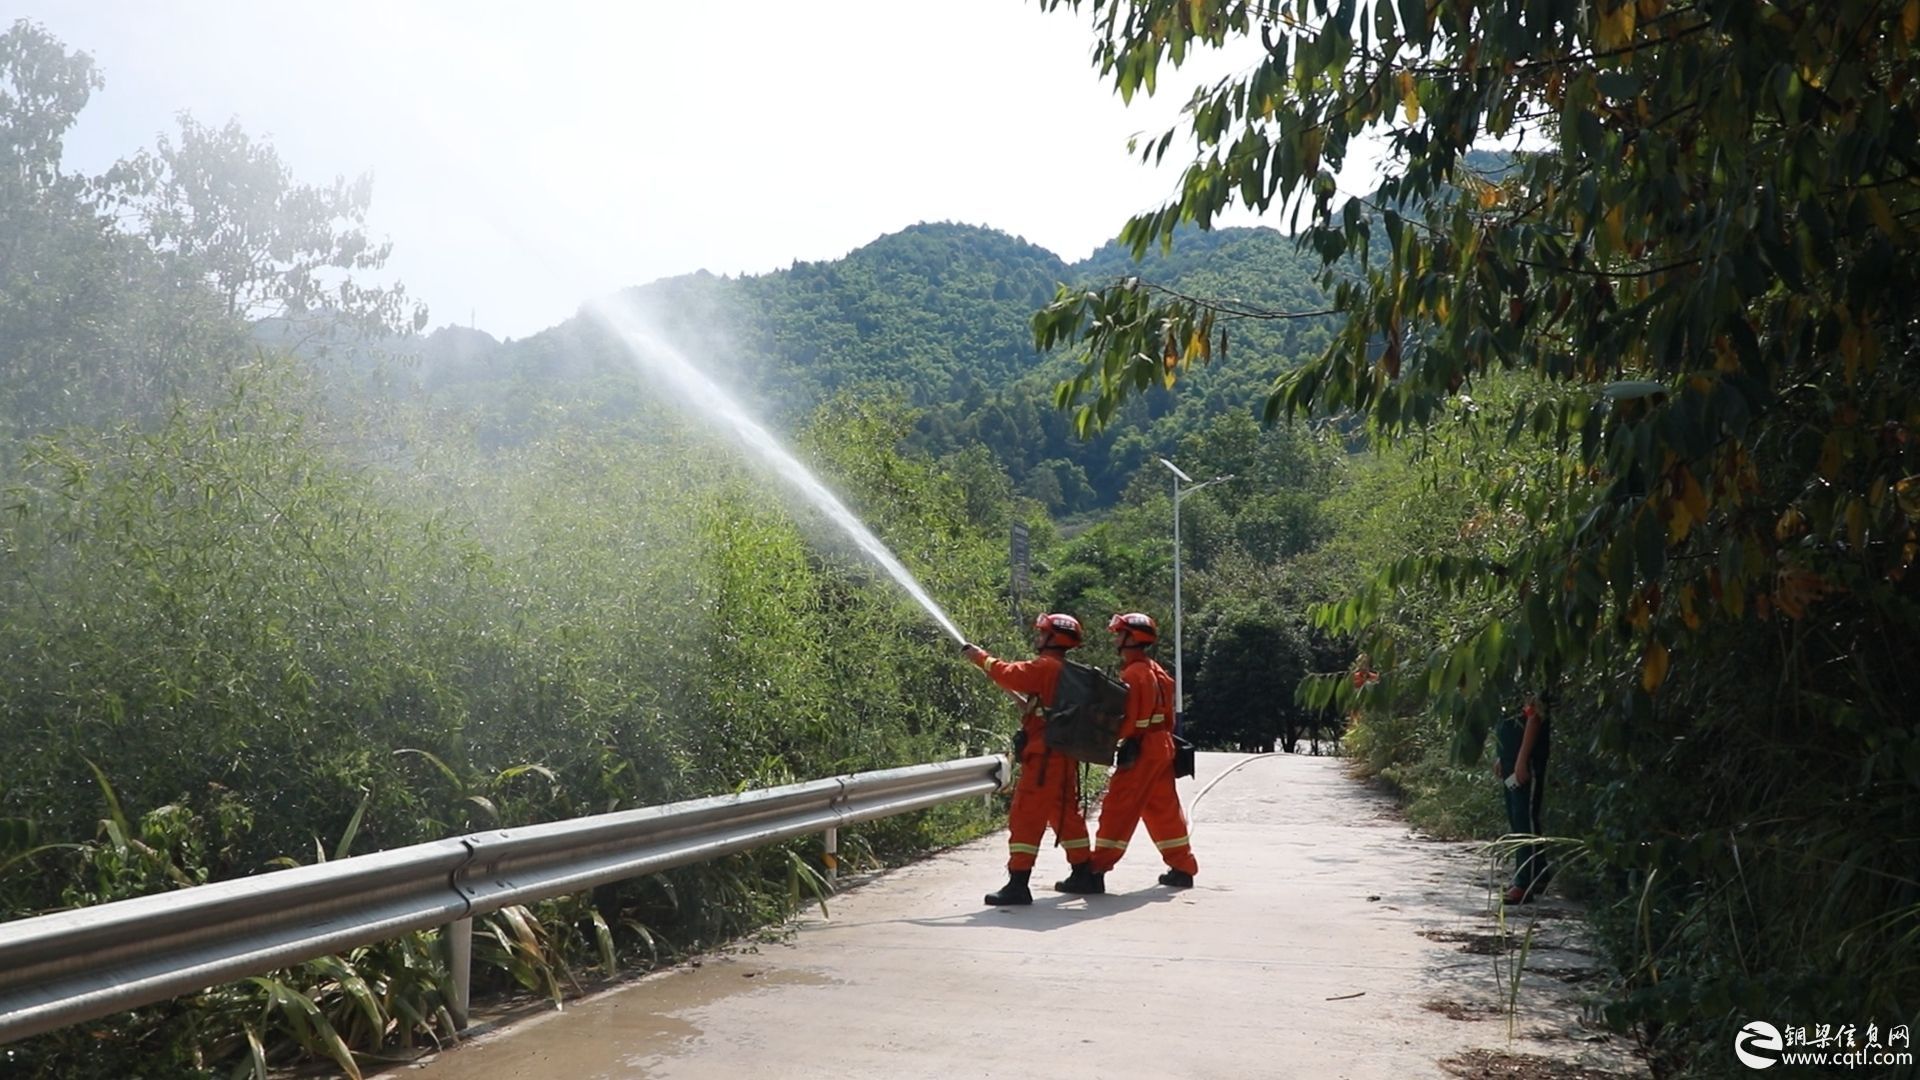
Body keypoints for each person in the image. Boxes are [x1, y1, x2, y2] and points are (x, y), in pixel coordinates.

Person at [962, 613, 1097, 905]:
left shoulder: (1045, 666)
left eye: (1042, 632)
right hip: (1063, 756)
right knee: (1065, 815)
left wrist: (979, 657)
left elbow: (1009, 673)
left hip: (1044, 758)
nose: (1038, 637)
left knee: (1026, 816)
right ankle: (1083, 872)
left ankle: (1018, 883)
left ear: (1053, 637)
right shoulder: (1066, 671)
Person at [1079, 612, 1199, 891]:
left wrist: (1103, 740)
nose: (1117, 640)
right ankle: (1183, 867)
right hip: (1163, 746)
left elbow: (1129, 720)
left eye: (1120, 634)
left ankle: (1096, 870)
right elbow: (1166, 717)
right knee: (1164, 810)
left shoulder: (1133, 674)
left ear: (1131, 638)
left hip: (1142, 750)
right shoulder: (1158, 671)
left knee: (1118, 808)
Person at [1492, 689, 1553, 903]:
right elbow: (1510, 721)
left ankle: (1523, 882)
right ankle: (1540, 874)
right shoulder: (1511, 678)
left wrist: (1521, 760)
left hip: (1526, 763)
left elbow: (1533, 718)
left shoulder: (1531, 678)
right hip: (1511, 760)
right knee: (1517, 818)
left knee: (1524, 819)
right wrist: (1502, 756)